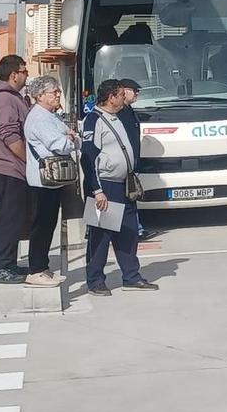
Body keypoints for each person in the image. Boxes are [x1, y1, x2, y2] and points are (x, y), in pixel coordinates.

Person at [82, 76, 157, 295]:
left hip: (124, 184)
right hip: (105, 186)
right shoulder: (94, 120)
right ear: (111, 97)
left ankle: (131, 276)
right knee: (100, 236)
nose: (125, 97)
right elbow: (88, 158)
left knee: (129, 232)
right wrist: (97, 191)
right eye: (121, 94)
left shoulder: (119, 116)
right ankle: (95, 281)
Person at [0, 54, 47, 286]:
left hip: (17, 170)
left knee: (15, 219)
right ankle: (0, 267)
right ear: (13, 74)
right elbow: (10, 135)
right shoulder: (4, 100)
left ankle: (9, 263)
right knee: (7, 219)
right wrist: (30, 160)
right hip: (8, 168)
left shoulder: (16, 98)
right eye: (24, 71)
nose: (26, 75)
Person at [21, 75, 76, 286]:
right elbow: (60, 144)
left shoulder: (50, 116)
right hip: (42, 181)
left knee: (49, 224)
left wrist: (70, 138)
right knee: (41, 225)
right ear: (40, 95)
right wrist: (70, 139)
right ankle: (36, 269)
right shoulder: (39, 118)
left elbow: (71, 137)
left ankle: (43, 267)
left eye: (58, 91)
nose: (58, 95)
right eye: (54, 92)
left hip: (53, 180)